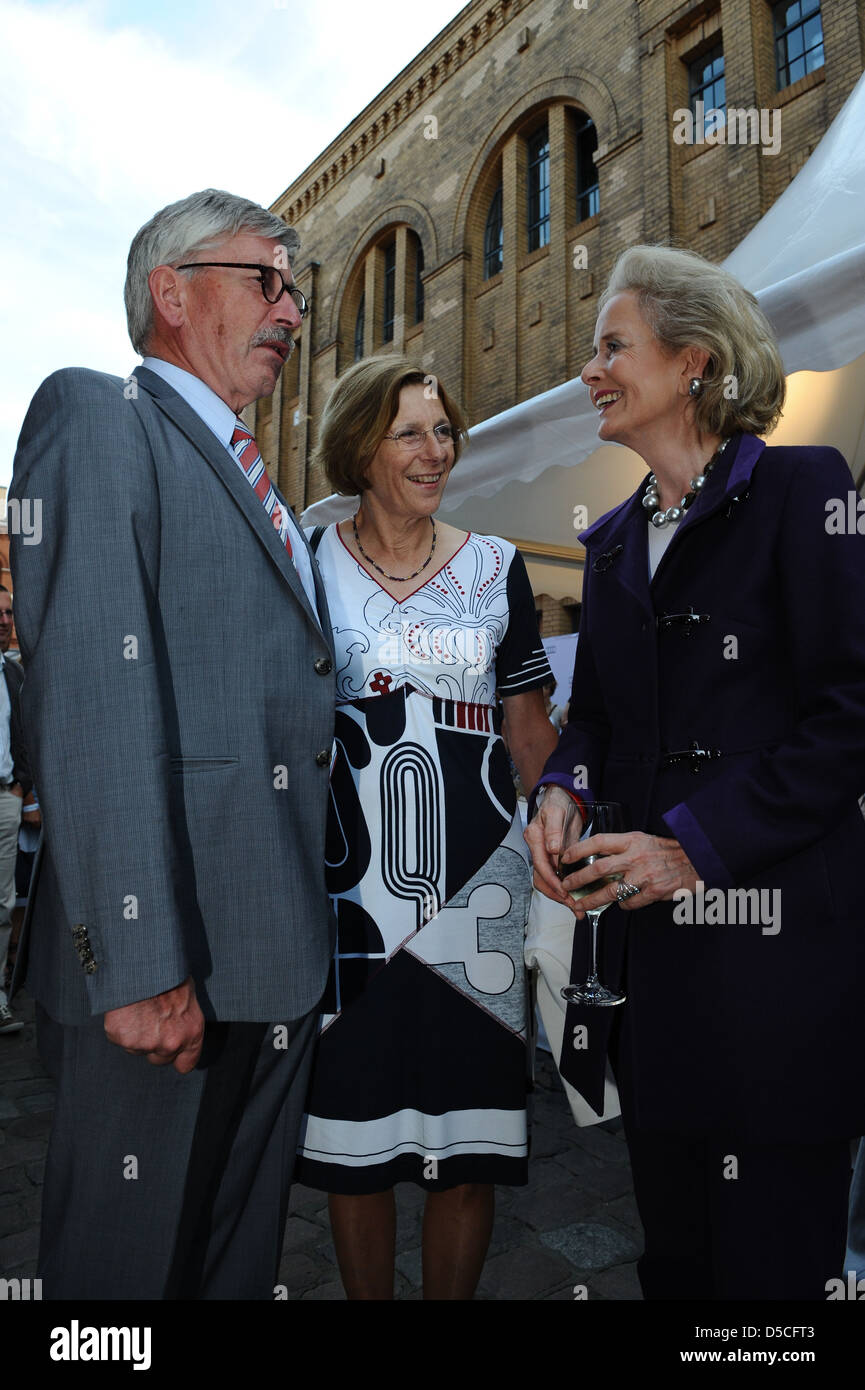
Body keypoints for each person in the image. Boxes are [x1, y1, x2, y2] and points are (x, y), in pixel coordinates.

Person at [10, 189, 336, 1299]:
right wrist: (143, 965)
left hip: (270, 961)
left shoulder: (258, 480)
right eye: (267, 279)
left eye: (297, 287)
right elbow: (95, 702)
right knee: (122, 1282)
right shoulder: (101, 416)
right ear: (170, 290)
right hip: (165, 972)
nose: (291, 308)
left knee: (225, 1266)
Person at [525, 244, 865, 1301]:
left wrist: (693, 848)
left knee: (768, 1278)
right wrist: (560, 787)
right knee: (675, 1263)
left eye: (610, 346)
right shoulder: (615, 540)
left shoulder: (804, 486)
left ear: (694, 362)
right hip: (653, 982)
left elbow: (850, 713)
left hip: (780, 977)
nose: (589, 371)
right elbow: (601, 721)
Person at [294, 356, 558, 1299]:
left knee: (470, 1143)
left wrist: (561, 835)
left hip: (479, 898)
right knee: (352, 1141)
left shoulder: (497, 566)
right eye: (410, 432)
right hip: (349, 899)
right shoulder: (306, 559)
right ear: (361, 446)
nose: (435, 449)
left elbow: (530, 733)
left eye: (443, 430)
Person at [0, 586, 31, 1035]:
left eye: (9, 613)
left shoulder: (13, 673)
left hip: (6, 800)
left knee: (3, 906)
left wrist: (22, 790)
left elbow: (24, 734)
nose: (6, 621)